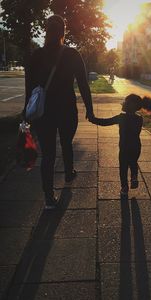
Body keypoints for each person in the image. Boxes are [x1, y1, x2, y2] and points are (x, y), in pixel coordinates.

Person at [24, 15, 94, 209]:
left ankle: (48, 197)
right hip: (66, 109)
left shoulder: (36, 56)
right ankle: (69, 172)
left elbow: (29, 88)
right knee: (66, 142)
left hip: (43, 112)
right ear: (63, 32)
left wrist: (26, 113)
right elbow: (83, 84)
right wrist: (90, 109)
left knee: (47, 155)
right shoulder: (72, 55)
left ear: (46, 31)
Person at [91, 94, 151, 196]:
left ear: (130, 105)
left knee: (123, 167)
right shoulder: (139, 119)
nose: (123, 103)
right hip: (136, 146)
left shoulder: (121, 118)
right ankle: (134, 177)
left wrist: (93, 119)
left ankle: (124, 188)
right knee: (133, 162)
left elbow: (105, 122)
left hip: (124, 146)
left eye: (126, 101)